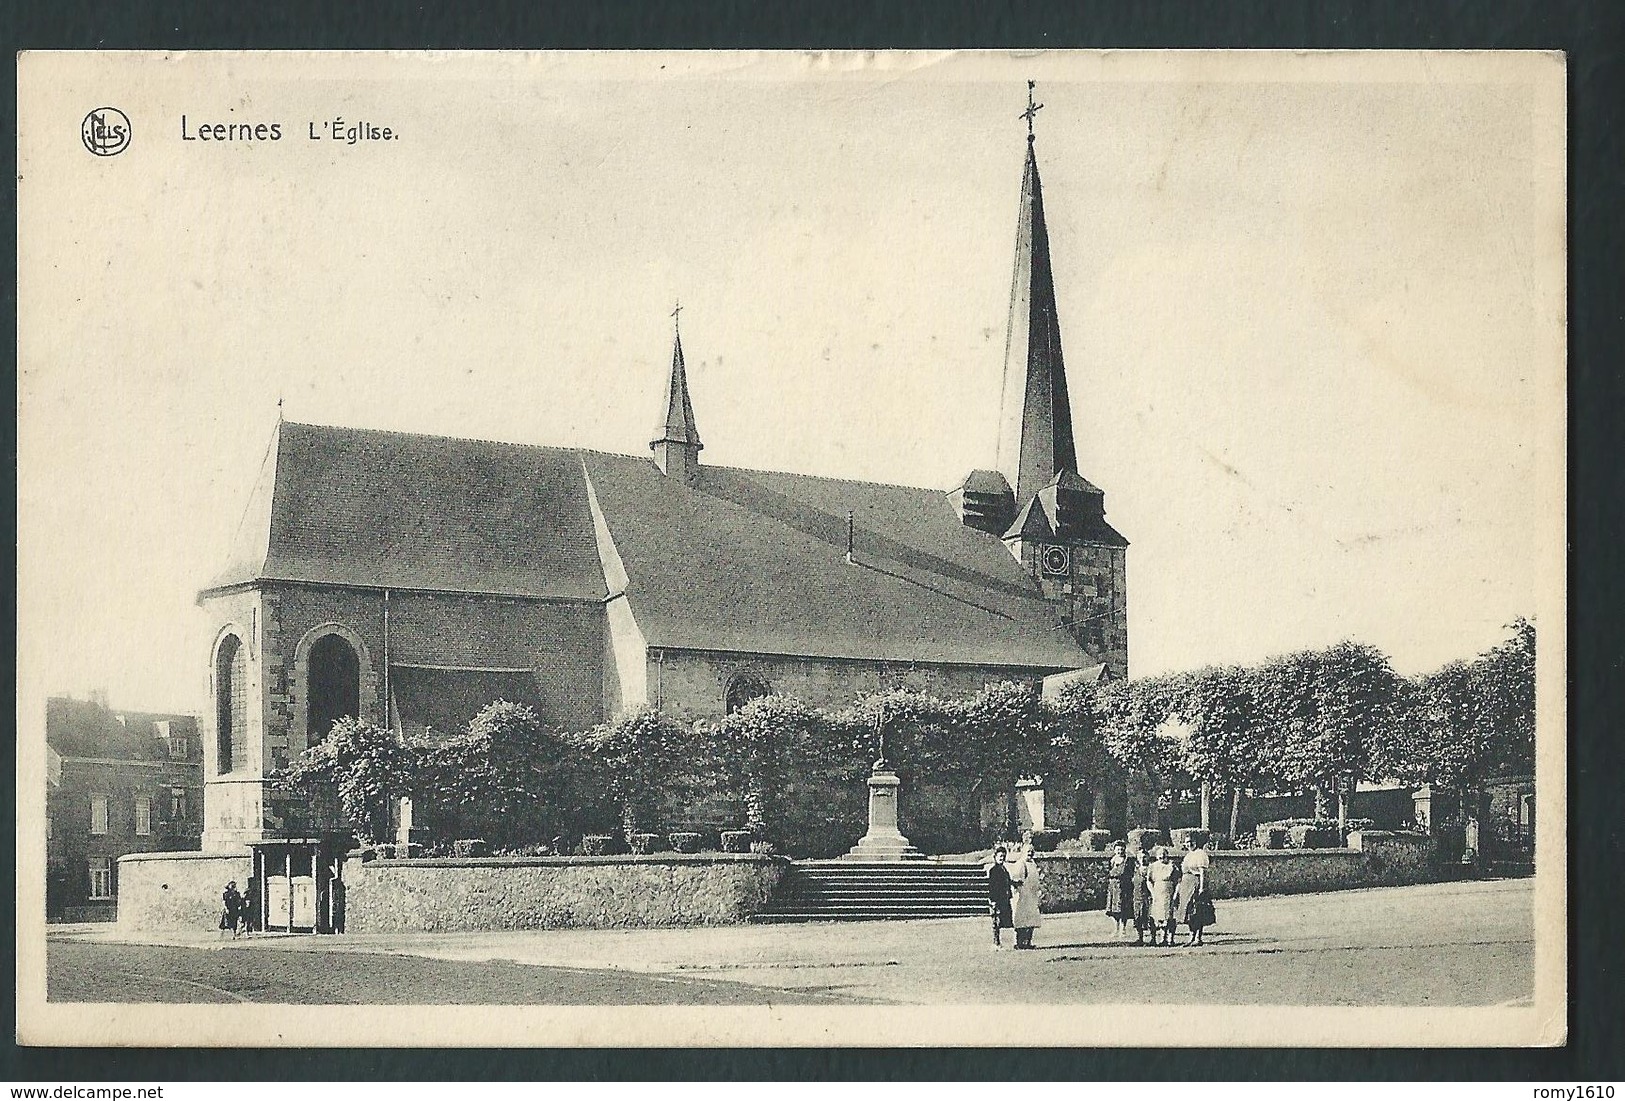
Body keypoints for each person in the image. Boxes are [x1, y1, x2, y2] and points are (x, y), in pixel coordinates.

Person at [1176, 832, 1216, 946]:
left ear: (1196, 842)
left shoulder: (1200, 854)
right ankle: (1191, 936)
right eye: (1187, 842)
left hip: (1195, 883)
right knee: (1188, 912)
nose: (1189, 844)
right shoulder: (1188, 855)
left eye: (1191, 842)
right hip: (1186, 885)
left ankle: (1198, 937)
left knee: (1197, 911)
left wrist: (1202, 888)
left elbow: (1202, 872)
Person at [1008, 837, 1043, 949]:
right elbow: (1016, 880)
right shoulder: (1020, 864)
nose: (1030, 854)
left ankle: (1028, 942)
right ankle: (1019, 943)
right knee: (1021, 920)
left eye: (1031, 852)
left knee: (1031, 919)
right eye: (1028, 851)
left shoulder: (1032, 864)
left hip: (1031, 896)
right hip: (1022, 895)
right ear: (1023, 852)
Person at [1146, 846, 1180, 947]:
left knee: (1169, 916)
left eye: (1164, 856)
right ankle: (1156, 938)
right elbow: (1148, 880)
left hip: (1168, 892)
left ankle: (1169, 939)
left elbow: (1178, 881)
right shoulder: (1152, 866)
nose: (1162, 858)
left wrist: (1175, 894)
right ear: (1156, 857)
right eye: (1160, 857)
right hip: (1157, 892)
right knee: (1157, 916)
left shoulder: (1172, 866)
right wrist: (1152, 892)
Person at [1104, 840, 1135, 939]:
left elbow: (1131, 874)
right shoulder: (1112, 860)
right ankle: (1116, 929)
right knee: (1113, 910)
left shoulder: (1127, 861)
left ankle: (1123, 929)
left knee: (1123, 909)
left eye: (1121, 849)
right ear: (1114, 850)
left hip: (1123, 887)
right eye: (1117, 849)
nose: (1119, 851)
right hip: (1113, 887)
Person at [986, 844, 1014, 949]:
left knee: (1002, 920)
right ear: (995, 857)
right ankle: (996, 942)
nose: (1002, 858)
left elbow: (1007, 882)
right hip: (996, 899)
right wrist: (993, 900)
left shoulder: (1004, 870)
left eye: (1003, 856)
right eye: (1000, 856)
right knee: (996, 922)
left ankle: (999, 942)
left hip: (1004, 899)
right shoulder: (994, 870)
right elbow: (992, 886)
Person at [1131, 845, 1154, 946]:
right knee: (1138, 917)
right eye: (1140, 857)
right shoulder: (1135, 870)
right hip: (1137, 897)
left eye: (1145, 857)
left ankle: (1153, 938)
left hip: (1149, 897)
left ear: (1148, 858)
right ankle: (1140, 938)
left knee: (1150, 918)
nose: (1143, 859)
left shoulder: (1152, 868)